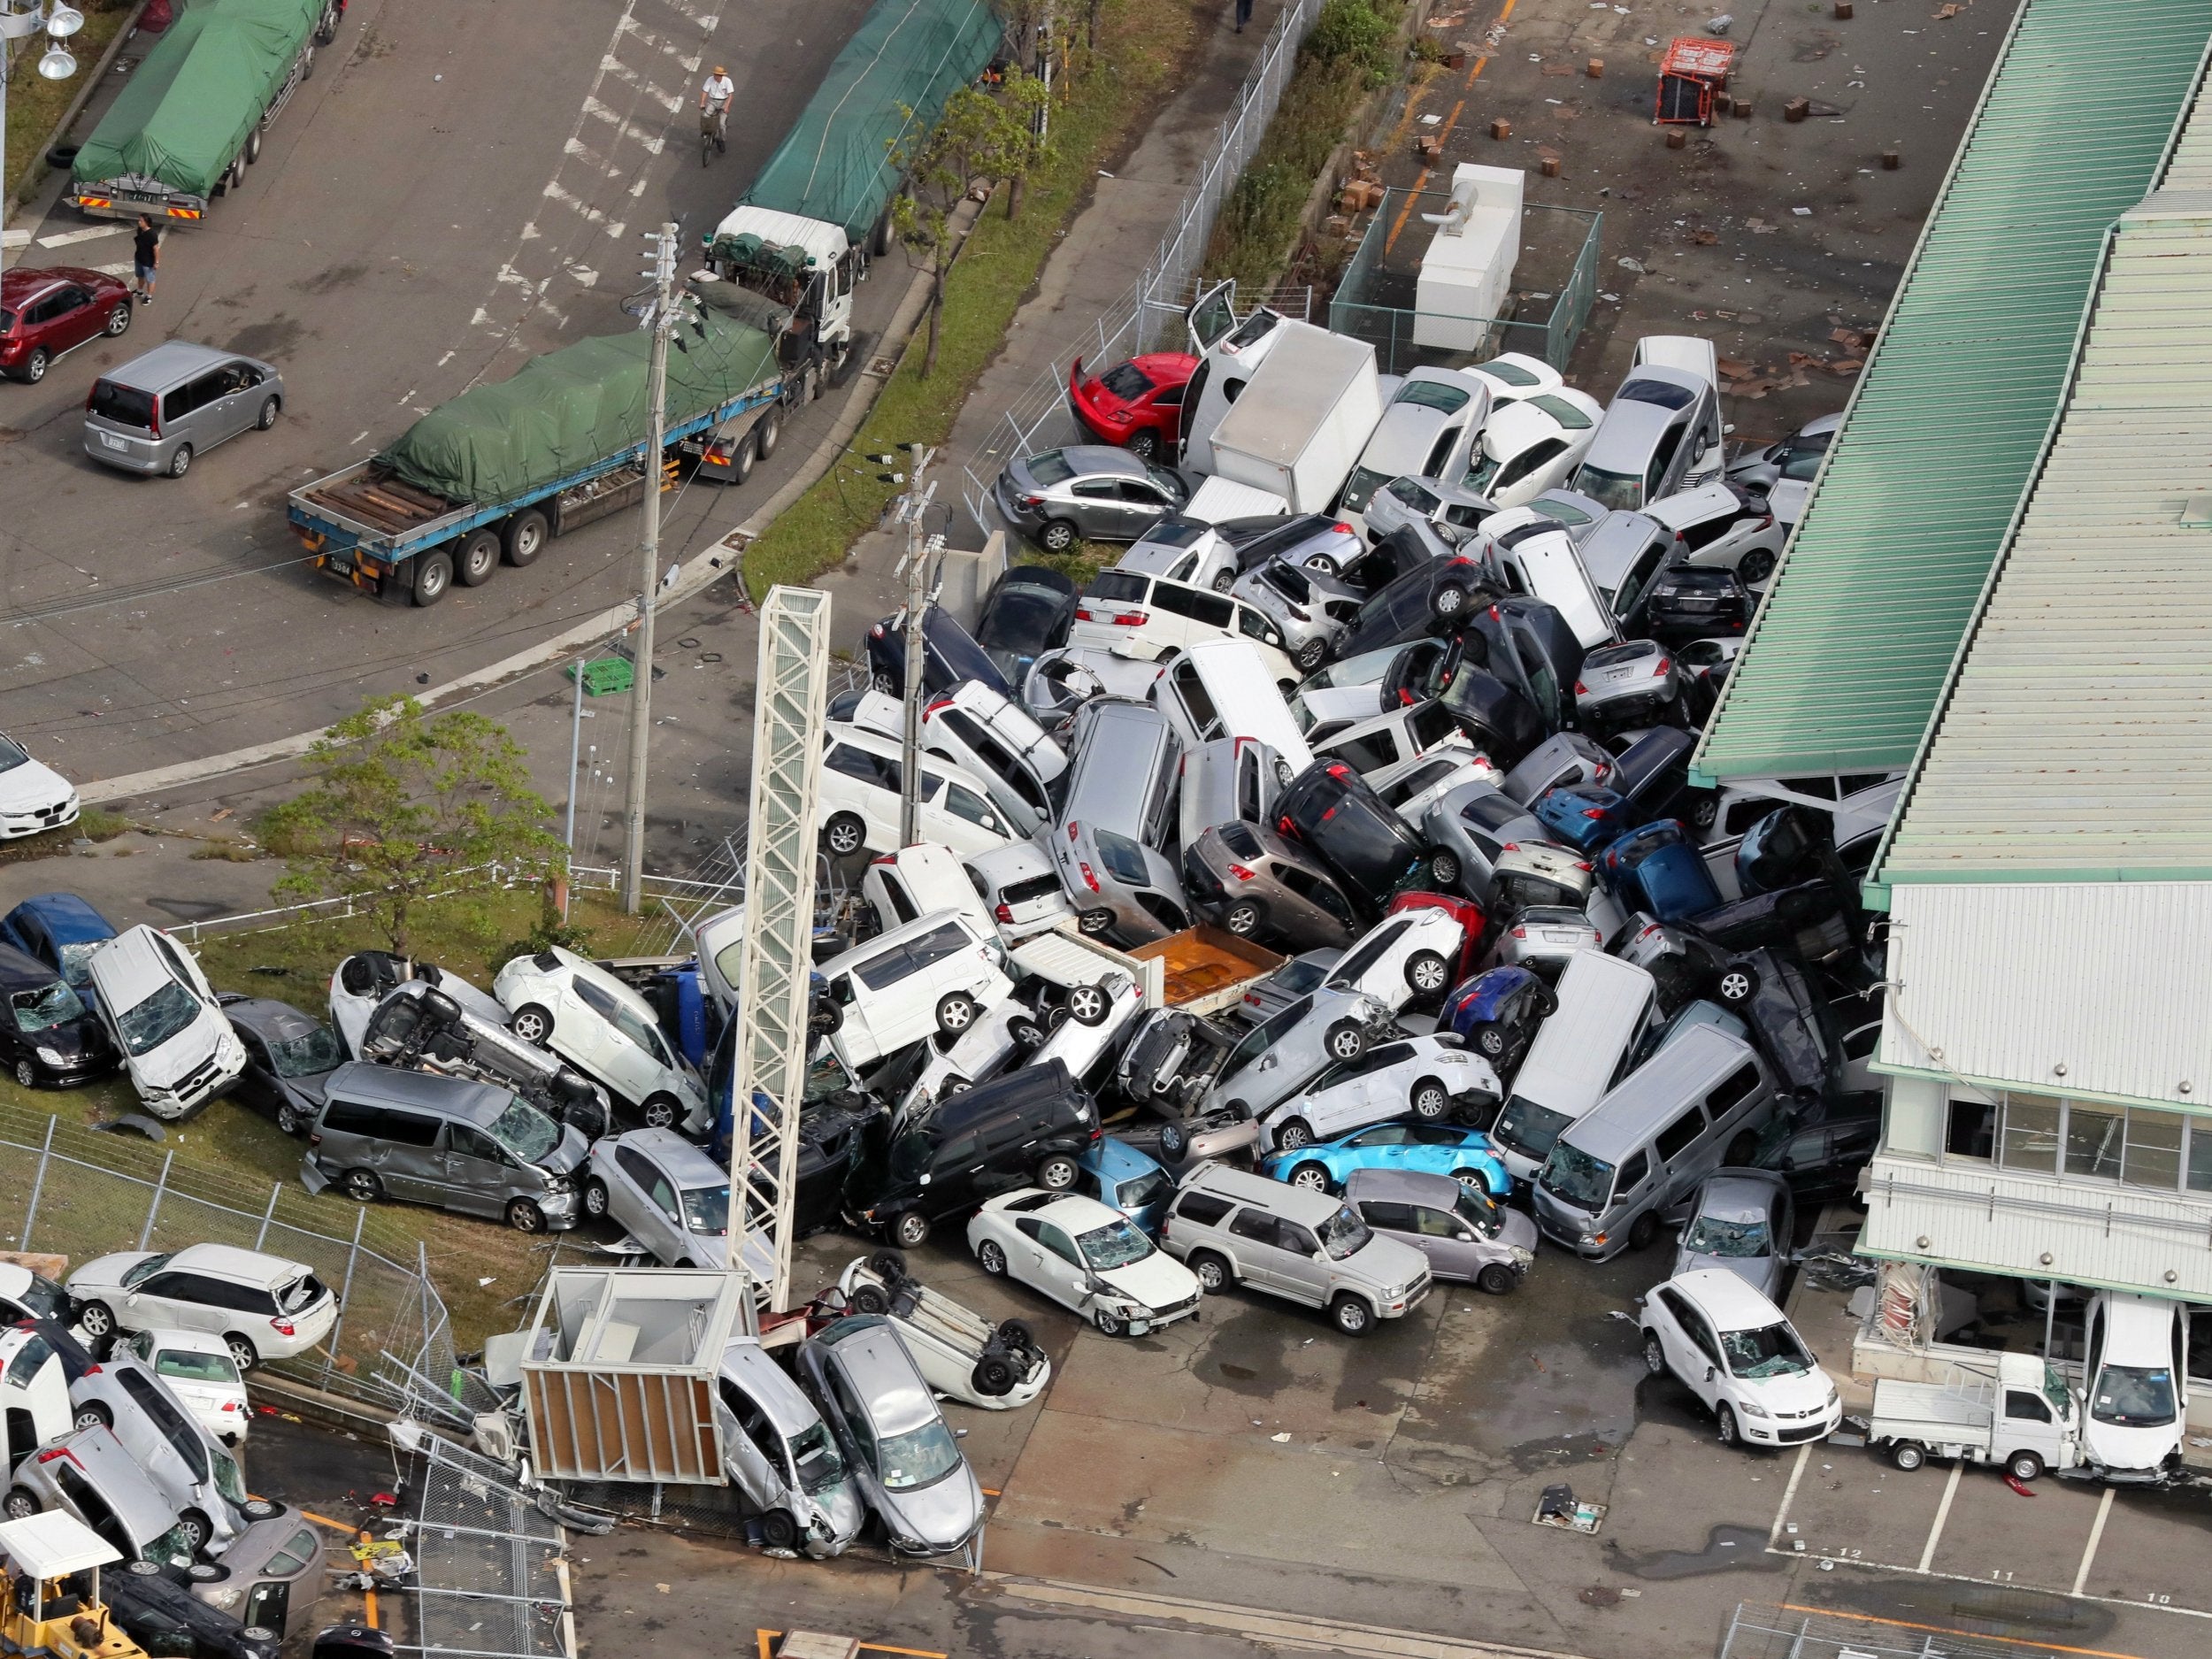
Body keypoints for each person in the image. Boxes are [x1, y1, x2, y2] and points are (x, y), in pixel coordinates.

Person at [700, 65, 734, 154]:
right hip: (712, 101)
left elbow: (730, 95)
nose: (716, 76)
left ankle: (722, 140)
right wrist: (702, 102)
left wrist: (726, 106)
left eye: (718, 75)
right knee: (705, 116)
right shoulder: (710, 80)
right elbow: (705, 91)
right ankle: (706, 131)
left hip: (723, 102)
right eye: (715, 74)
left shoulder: (727, 81)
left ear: (722, 75)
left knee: (721, 124)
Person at [132, 215, 158, 305]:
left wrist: (156, 262)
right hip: (139, 258)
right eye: (139, 220)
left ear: (146, 222)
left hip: (148, 262)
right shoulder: (140, 230)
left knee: (150, 279)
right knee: (140, 276)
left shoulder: (152, 234)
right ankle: (139, 291)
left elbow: (156, 249)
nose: (139, 222)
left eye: (141, 221)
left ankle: (149, 296)